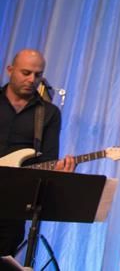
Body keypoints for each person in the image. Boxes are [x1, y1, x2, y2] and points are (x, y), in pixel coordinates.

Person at [0, 49, 75, 258]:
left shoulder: (49, 113)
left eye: (38, 75)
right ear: (10, 70)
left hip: (12, 207)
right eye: (26, 73)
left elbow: (48, 161)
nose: (32, 79)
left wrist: (59, 172)